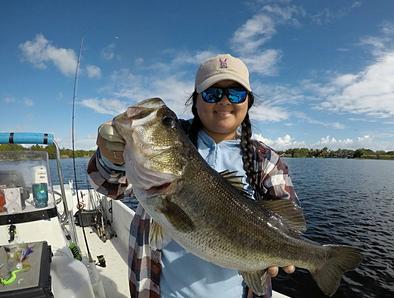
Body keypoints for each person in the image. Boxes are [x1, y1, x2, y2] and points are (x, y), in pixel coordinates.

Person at [87, 54, 301, 298]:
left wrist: (286, 250)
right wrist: (110, 156)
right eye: (212, 94)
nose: (224, 101)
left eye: (236, 93)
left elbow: (290, 220)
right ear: (195, 101)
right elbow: (108, 187)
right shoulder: (174, 144)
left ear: (248, 102)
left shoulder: (266, 160)